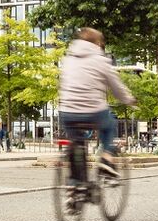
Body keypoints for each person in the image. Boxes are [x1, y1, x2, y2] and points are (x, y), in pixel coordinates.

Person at [58, 27, 136, 183]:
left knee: (76, 143)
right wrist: (129, 100)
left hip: (67, 112)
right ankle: (106, 159)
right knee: (110, 124)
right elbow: (116, 88)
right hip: (94, 111)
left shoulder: (67, 60)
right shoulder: (101, 60)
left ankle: (74, 186)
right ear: (97, 43)